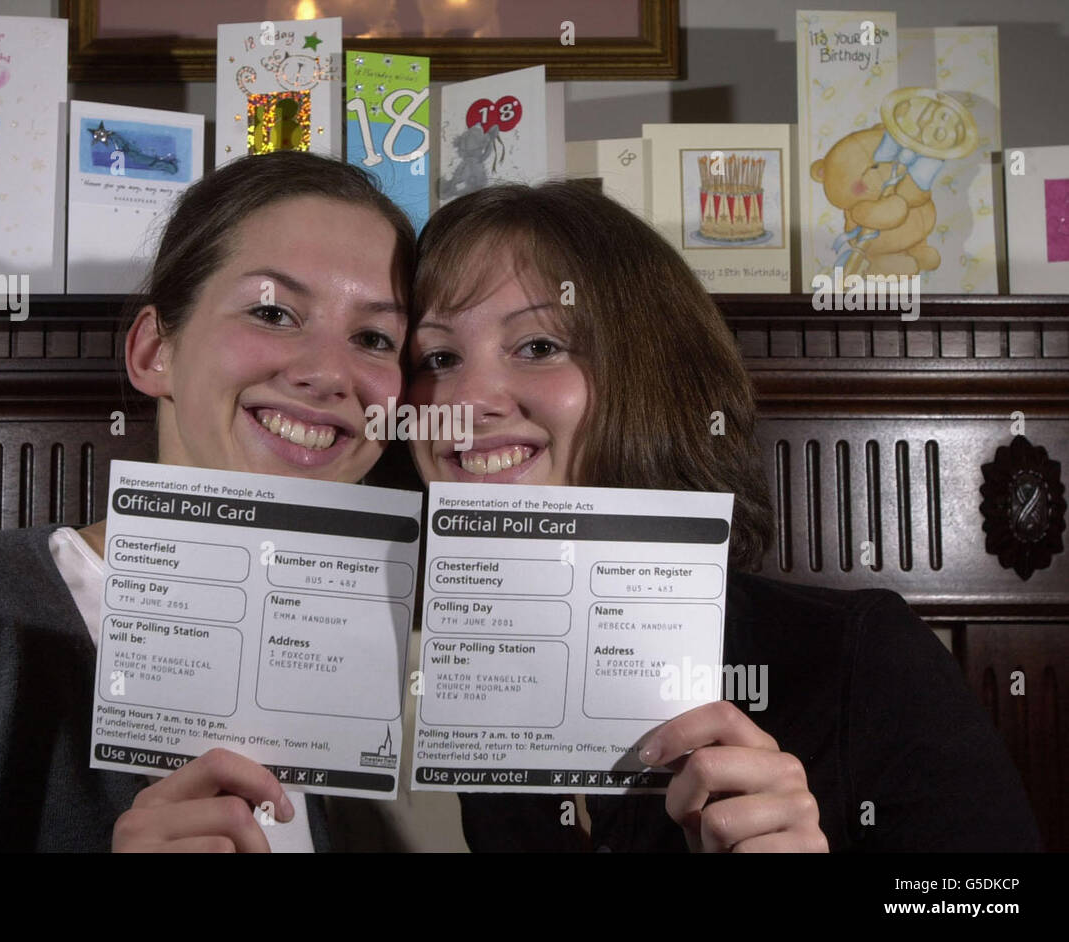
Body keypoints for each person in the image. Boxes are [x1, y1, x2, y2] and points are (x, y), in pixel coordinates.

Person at [0, 151, 416, 853]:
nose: (330, 372)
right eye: (272, 311)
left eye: (374, 338)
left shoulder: (349, 681)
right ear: (152, 352)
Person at [402, 181, 1042, 852]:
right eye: (438, 358)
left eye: (538, 346)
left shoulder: (861, 658)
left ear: (651, 374)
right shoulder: (485, 692)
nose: (463, 400)